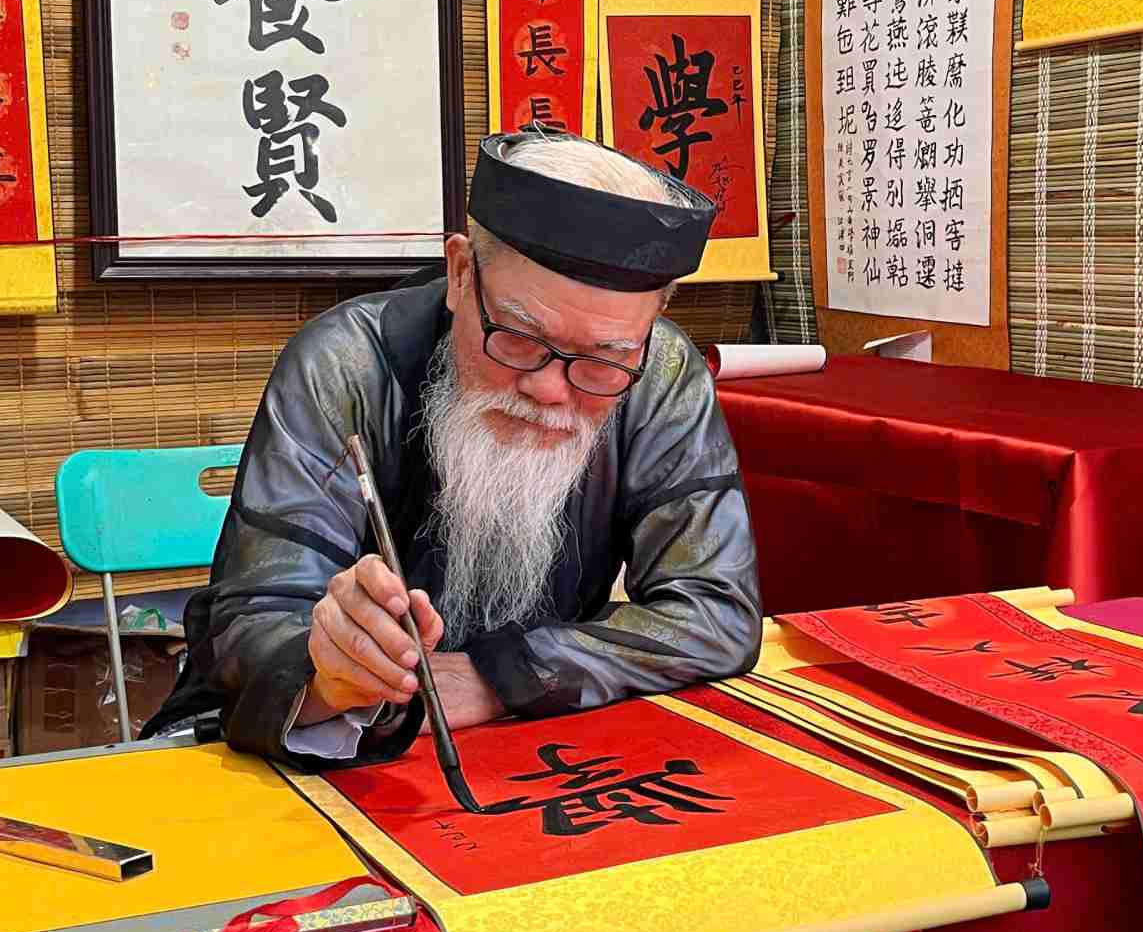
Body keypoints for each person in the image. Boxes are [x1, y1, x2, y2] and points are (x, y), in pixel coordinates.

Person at [143, 131, 763, 766]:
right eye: (520, 338)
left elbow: (715, 610)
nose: (551, 390)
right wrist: (332, 671)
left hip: (532, 745)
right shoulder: (346, 364)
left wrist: (500, 677)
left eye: (604, 361)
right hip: (317, 753)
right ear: (461, 273)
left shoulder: (658, 376)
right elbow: (254, 619)